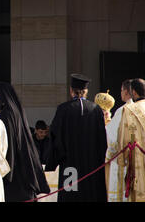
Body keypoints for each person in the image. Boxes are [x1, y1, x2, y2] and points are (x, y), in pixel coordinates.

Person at [45, 74, 107, 202]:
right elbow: (102, 139)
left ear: (71, 90)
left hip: (70, 165)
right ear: (86, 91)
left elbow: (55, 136)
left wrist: (54, 159)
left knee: (71, 195)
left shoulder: (63, 109)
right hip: (92, 165)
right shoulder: (96, 110)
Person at [0, 82, 50, 202]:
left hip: (13, 163)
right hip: (21, 159)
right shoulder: (16, 110)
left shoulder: (5, 114)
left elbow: (7, 142)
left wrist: (6, 169)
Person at [115, 78, 145, 202]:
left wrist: (121, 162)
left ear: (133, 92)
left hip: (138, 164)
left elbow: (124, 139)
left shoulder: (129, 110)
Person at [105, 79, 132, 202]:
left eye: (121, 90)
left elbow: (112, 139)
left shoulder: (124, 110)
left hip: (125, 160)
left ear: (126, 92)